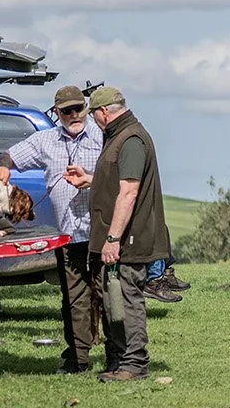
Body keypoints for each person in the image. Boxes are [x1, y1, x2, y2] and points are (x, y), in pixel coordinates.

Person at [67, 86, 169, 382]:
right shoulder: (118, 136)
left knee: (127, 298)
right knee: (112, 299)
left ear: (103, 112)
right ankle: (119, 360)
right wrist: (90, 179)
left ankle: (135, 364)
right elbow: (117, 180)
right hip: (117, 237)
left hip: (129, 239)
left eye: (93, 115)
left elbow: (129, 192)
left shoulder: (131, 139)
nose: (92, 121)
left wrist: (113, 239)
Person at [0, 84, 102, 373]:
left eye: (78, 109)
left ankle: (118, 356)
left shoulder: (102, 136)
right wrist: (3, 168)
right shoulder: (45, 140)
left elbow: (122, 176)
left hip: (102, 233)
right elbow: (8, 155)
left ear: (86, 108)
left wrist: (91, 178)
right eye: (67, 111)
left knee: (107, 294)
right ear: (57, 113)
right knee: (74, 299)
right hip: (67, 235)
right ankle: (78, 358)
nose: (74, 115)